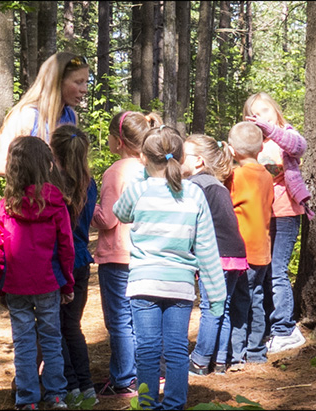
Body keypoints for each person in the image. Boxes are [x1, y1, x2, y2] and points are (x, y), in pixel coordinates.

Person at [113, 125, 226, 410]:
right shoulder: (194, 193)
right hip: (181, 284)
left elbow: (120, 213)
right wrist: (217, 295)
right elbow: (207, 248)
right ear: (179, 156)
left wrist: (143, 176)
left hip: (144, 283)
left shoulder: (138, 190)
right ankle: (174, 405)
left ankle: (148, 405)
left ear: (144, 157)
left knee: (147, 349)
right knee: (176, 350)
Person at [0, 136, 76, 410]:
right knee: (51, 339)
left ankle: (27, 400)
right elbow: (67, 247)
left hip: (16, 284)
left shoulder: (6, 206)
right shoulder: (56, 203)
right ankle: (56, 396)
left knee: (24, 341)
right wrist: (67, 284)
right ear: (48, 166)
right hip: (48, 283)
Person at [91, 110, 162, 397]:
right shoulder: (153, 169)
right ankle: (148, 373)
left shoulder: (116, 171)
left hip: (117, 256)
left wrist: (85, 212)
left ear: (118, 141)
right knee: (142, 317)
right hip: (146, 255)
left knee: (119, 320)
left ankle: (124, 379)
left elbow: (107, 219)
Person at [243, 92, 309, 354]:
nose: (262, 118)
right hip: (261, 216)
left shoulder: (285, 135)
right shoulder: (256, 143)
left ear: (276, 112)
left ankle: (286, 329)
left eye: (266, 112)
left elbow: (299, 146)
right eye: (256, 115)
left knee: (278, 271)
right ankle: (271, 325)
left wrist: (271, 128)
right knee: (266, 271)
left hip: (285, 212)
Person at [182, 134, 249, 375]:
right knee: (223, 306)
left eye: (182, 155)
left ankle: (200, 360)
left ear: (198, 161)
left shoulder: (195, 186)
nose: (177, 159)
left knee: (211, 307)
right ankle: (220, 360)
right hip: (235, 254)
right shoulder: (216, 184)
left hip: (216, 255)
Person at [49, 125, 99, 405]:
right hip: (80, 261)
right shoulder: (88, 182)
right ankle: (86, 385)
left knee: (57, 327)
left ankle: (71, 385)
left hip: (59, 263)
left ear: (54, 151)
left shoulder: (53, 185)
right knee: (72, 327)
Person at [0, 52, 89, 175]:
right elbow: (0, 165)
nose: (84, 90)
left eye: (86, 82)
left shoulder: (70, 116)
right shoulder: (27, 116)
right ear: (57, 81)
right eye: (78, 82)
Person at [226, 122, 274, 369]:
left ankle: (235, 353)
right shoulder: (267, 175)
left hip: (242, 252)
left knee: (239, 301)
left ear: (232, 151)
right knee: (256, 298)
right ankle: (256, 351)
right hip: (263, 251)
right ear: (261, 147)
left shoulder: (235, 176)